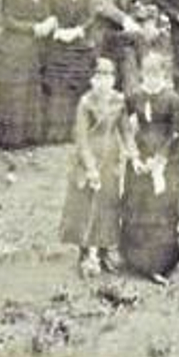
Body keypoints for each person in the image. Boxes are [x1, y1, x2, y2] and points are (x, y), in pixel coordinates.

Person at [58, 58, 130, 277]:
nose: (103, 82)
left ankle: (105, 249)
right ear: (91, 80)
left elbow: (126, 131)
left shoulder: (120, 101)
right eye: (98, 77)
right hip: (89, 157)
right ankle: (86, 253)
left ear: (114, 79)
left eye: (107, 77)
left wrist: (134, 154)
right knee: (86, 205)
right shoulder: (85, 102)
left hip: (111, 159)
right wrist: (89, 167)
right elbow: (81, 138)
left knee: (108, 203)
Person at [120, 52, 179, 282]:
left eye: (156, 74)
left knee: (161, 208)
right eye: (147, 74)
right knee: (138, 204)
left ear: (164, 75)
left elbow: (175, 133)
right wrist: (134, 155)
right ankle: (134, 259)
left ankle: (160, 263)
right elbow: (124, 123)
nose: (152, 79)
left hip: (166, 157)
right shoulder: (135, 96)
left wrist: (159, 160)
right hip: (141, 154)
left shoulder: (172, 99)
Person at [0, 0, 55, 150]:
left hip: (35, 44)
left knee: (33, 88)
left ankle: (32, 134)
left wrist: (51, 21)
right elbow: (8, 20)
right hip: (14, 43)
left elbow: (49, 11)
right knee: (16, 89)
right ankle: (12, 138)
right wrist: (33, 28)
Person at [42, 0, 97, 146]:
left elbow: (91, 16)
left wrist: (79, 30)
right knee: (62, 86)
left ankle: (85, 127)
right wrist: (59, 32)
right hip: (60, 46)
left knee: (84, 82)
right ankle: (61, 132)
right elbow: (47, 16)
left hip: (81, 43)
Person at [92, 0, 152, 95]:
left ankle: (134, 92)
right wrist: (126, 21)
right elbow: (105, 8)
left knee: (128, 53)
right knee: (137, 36)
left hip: (118, 37)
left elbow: (129, 7)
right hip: (102, 37)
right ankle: (147, 73)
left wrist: (140, 12)